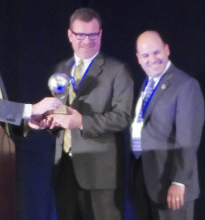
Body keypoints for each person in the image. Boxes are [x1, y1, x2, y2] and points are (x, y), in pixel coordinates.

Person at [46, 8, 134, 220]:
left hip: (101, 173)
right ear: (70, 35)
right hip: (65, 170)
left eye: (93, 35)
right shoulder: (61, 69)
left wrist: (82, 122)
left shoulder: (117, 70)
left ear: (100, 35)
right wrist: (50, 121)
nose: (87, 41)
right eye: (80, 35)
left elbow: (123, 116)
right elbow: (60, 112)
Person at [131, 30, 204, 220]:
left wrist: (179, 181)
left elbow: (188, 139)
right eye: (145, 55)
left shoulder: (186, 85)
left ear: (167, 50)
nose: (152, 59)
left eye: (156, 52)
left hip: (172, 183)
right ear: (138, 58)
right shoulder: (147, 84)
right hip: (145, 177)